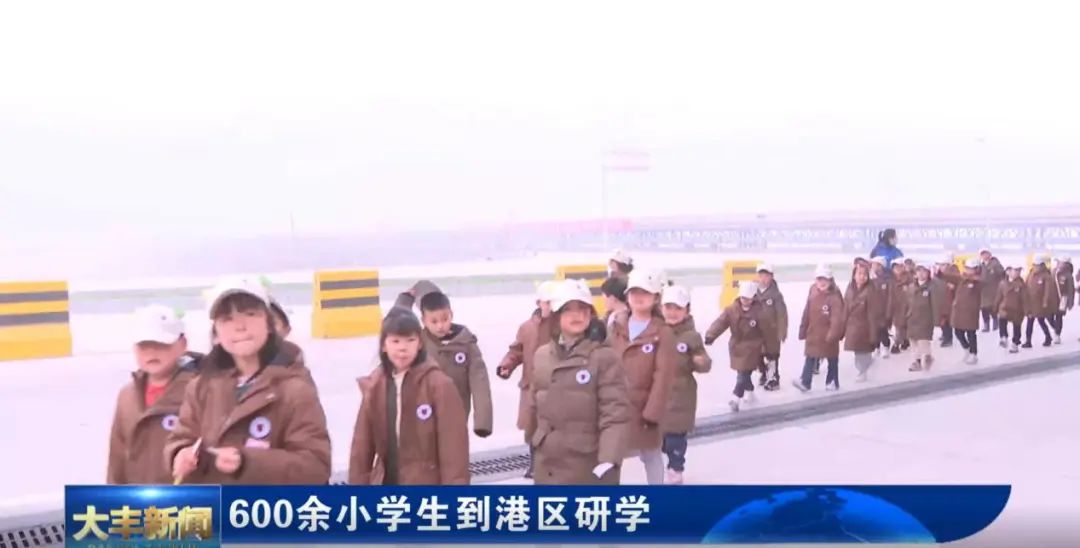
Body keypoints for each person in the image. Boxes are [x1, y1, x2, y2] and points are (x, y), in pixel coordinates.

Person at [166, 277, 331, 484]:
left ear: (269, 324)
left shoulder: (295, 389)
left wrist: (247, 462)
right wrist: (180, 454)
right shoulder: (200, 387)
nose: (240, 326)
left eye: (250, 314)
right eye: (227, 319)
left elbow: (315, 467)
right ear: (216, 334)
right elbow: (181, 439)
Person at [527, 279, 631, 485]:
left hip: (586, 463)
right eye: (569, 309)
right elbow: (534, 405)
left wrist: (609, 457)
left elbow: (615, 413)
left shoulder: (604, 357)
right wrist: (533, 438)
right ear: (556, 315)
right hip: (547, 464)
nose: (578, 315)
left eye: (583, 309)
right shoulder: (542, 355)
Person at [348, 310, 470, 485]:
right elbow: (361, 448)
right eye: (395, 341)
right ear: (384, 345)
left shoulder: (439, 385)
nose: (402, 348)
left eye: (410, 340)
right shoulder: (375, 386)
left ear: (420, 343)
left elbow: (454, 450)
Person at [107, 305, 203, 484]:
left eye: (161, 345)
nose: (151, 353)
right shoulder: (127, 395)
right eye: (144, 346)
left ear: (182, 344)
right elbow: (117, 459)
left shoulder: (201, 390)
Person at [607, 270, 677, 485]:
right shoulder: (616, 326)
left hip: (644, 408)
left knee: (651, 454)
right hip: (615, 406)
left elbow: (663, 375)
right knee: (611, 455)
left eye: (645, 293)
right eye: (634, 292)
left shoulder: (663, 333)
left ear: (656, 297)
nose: (639, 297)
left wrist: (653, 411)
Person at [409, 291, 495, 439]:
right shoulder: (418, 344)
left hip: (457, 415)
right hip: (424, 416)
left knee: (454, 449)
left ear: (451, 314)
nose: (440, 326)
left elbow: (480, 382)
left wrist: (483, 422)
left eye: (445, 319)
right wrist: (405, 299)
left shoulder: (466, 343)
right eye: (434, 321)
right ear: (423, 320)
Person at [495, 280, 559, 479]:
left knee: (553, 427)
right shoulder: (527, 328)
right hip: (530, 386)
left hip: (555, 386)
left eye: (553, 302)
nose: (550, 307)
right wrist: (506, 365)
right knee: (532, 428)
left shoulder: (560, 326)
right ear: (538, 303)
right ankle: (534, 464)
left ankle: (551, 464)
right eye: (547, 302)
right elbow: (516, 351)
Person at [658, 284, 711, 485]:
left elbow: (703, 360)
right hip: (658, 394)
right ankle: (667, 457)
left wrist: (701, 362)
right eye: (668, 307)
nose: (672, 313)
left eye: (677, 308)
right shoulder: (655, 331)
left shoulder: (691, 337)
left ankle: (676, 468)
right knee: (661, 438)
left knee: (676, 438)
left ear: (687, 310)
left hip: (681, 396)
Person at [705, 281, 780, 412]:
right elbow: (720, 323)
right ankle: (750, 391)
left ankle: (735, 398)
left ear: (754, 297)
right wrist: (711, 335)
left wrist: (770, 350)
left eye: (748, 298)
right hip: (736, 346)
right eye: (743, 297)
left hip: (753, 347)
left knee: (743, 373)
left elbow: (768, 332)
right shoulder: (731, 310)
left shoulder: (760, 312)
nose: (745, 301)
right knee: (743, 372)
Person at [792, 265, 846, 393]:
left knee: (832, 358)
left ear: (830, 280)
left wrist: (832, 335)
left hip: (828, 336)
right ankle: (805, 382)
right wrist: (803, 328)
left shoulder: (834, 297)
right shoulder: (813, 291)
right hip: (813, 333)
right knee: (810, 356)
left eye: (825, 279)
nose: (822, 282)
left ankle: (832, 381)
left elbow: (837, 319)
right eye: (819, 279)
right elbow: (807, 311)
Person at [939, 258, 983, 364]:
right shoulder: (961, 278)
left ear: (976, 269)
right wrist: (940, 273)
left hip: (971, 311)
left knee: (971, 333)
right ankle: (966, 348)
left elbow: (979, 282)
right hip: (959, 310)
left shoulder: (978, 281)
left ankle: (973, 353)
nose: (969, 270)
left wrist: (971, 278)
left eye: (971, 268)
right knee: (958, 332)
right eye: (967, 268)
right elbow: (949, 277)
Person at [844, 263, 883, 382]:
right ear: (854, 275)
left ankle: (863, 371)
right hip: (852, 327)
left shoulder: (871, 290)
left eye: (865, 274)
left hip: (866, 327)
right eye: (859, 274)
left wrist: (873, 333)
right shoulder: (850, 288)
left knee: (864, 351)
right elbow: (845, 308)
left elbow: (873, 313)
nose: (862, 277)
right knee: (857, 352)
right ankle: (863, 369)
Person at [754, 263, 788, 390]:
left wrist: (782, 331)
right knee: (757, 356)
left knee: (772, 357)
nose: (763, 279)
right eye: (761, 276)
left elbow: (782, 314)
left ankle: (773, 379)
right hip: (757, 332)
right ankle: (764, 373)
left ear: (771, 277)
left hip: (772, 333)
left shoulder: (776, 295)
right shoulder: (754, 293)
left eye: (766, 276)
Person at [906, 263, 939, 371]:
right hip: (912, 319)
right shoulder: (911, 287)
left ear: (928, 273)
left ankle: (927, 357)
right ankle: (917, 361)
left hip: (925, 319)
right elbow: (907, 303)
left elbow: (935, 304)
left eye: (924, 271)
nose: (921, 274)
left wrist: (936, 320)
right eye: (919, 271)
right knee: (913, 342)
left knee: (923, 342)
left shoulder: (932, 287)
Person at [1024, 254, 1059, 348]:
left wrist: (1045, 301)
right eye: (1035, 265)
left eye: (1038, 265)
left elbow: (1048, 290)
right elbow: (1026, 285)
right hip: (1031, 303)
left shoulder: (1046, 276)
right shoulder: (1031, 274)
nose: (1036, 267)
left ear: (1042, 265)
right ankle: (1028, 341)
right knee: (1030, 322)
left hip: (1040, 304)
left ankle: (1048, 337)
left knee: (1041, 321)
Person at [995, 266, 1028, 353]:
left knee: (1016, 327)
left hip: (1017, 309)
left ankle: (1015, 343)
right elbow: (999, 296)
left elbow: (1025, 299)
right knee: (1002, 320)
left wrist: (1027, 310)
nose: (1018, 272)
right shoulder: (1003, 283)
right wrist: (995, 306)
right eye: (1015, 270)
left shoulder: (1021, 285)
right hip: (1005, 308)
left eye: (1019, 271)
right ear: (1008, 271)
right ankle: (1004, 337)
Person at [868, 257, 893, 359]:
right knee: (874, 330)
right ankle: (876, 347)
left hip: (883, 309)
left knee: (883, 329)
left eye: (875, 264)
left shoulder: (887, 279)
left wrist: (889, 311)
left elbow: (890, 296)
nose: (873, 266)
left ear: (880, 266)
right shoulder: (871, 278)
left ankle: (886, 346)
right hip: (872, 309)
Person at [978, 248, 1007, 333]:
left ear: (989, 254)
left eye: (985, 253)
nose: (984, 256)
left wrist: (994, 270)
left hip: (994, 289)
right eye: (982, 254)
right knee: (984, 308)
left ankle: (995, 321)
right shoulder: (981, 265)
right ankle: (986, 324)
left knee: (992, 307)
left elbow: (1002, 273)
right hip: (983, 290)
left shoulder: (995, 263)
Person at [935, 255, 960, 348]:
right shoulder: (939, 273)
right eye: (939, 265)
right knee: (941, 319)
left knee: (946, 319)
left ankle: (948, 338)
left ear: (948, 264)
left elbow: (959, 285)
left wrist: (953, 287)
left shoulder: (953, 272)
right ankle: (945, 334)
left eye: (943, 265)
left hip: (949, 300)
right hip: (940, 299)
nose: (941, 267)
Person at [889, 261, 911, 354]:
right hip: (896, 308)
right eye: (895, 267)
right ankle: (904, 341)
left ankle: (897, 344)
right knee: (899, 327)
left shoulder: (909, 279)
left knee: (903, 327)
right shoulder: (891, 280)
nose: (897, 269)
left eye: (899, 267)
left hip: (907, 307)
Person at [1052, 257, 1075, 344]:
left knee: (1059, 316)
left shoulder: (1068, 275)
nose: (1059, 263)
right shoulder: (1054, 271)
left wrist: (1070, 302)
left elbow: (1070, 290)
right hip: (1053, 298)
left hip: (1063, 299)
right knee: (1049, 316)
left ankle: (1057, 335)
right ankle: (1056, 328)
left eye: (1061, 262)